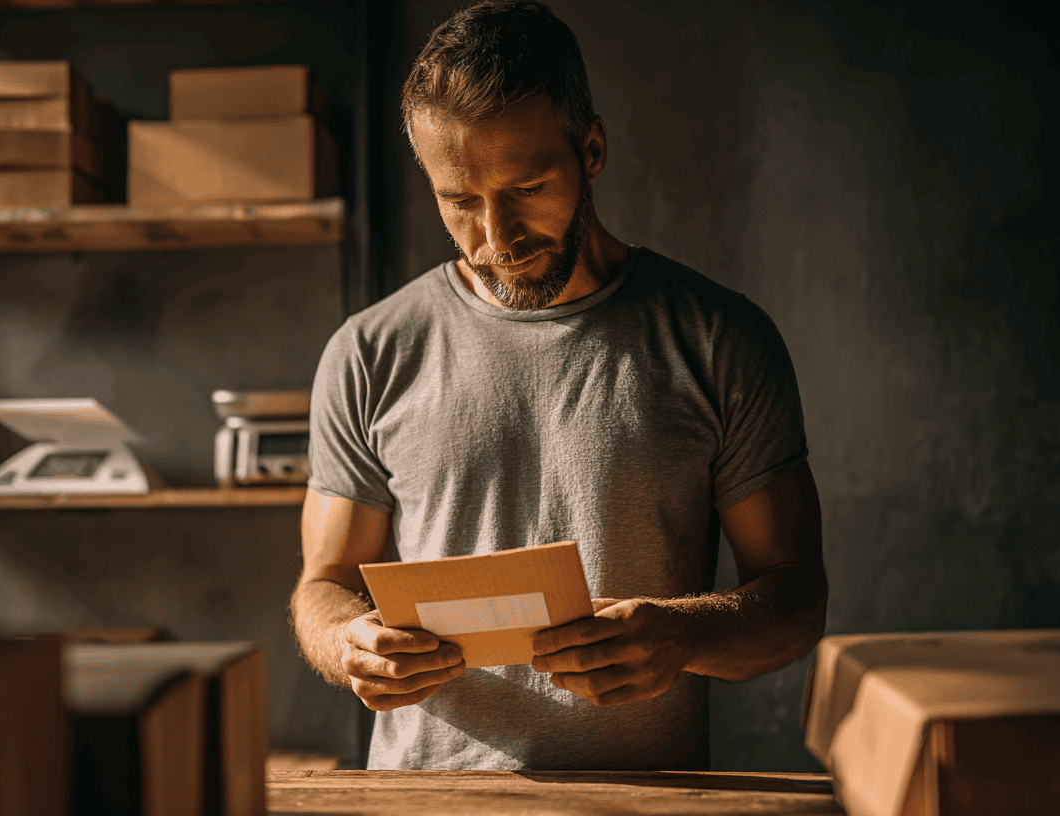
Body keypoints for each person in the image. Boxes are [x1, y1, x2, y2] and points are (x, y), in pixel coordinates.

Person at [290, 0, 826, 771]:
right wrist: (349, 642)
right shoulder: (369, 352)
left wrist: (682, 635)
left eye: (527, 188)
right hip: (424, 803)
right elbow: (323, 583)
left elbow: (797, 599)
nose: (495, 238)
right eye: (460, 201)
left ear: (592, 149)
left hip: (640, 804)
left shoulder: (719, 339)